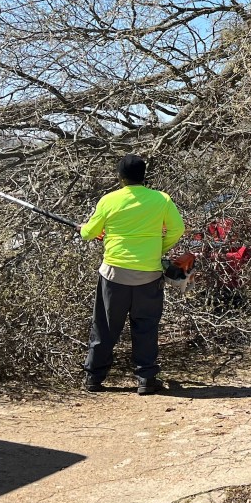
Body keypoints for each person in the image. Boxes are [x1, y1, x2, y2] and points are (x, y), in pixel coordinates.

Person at [80, 154, 184, 395]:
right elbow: (178, 229)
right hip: (149, 275)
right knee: (146, 327)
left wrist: (85, 228)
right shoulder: (162, 199)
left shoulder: (109, 200)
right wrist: (160, 248)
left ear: (120, 178)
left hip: (114, 274)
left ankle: (93, 378)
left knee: (105, 327)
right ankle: (145, 379)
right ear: (144, 176)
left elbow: (88, 233)